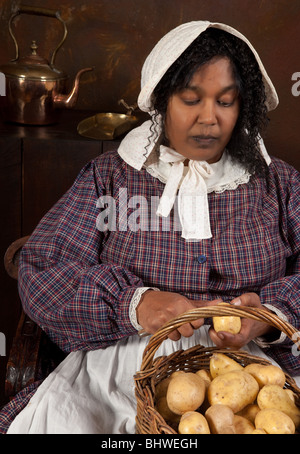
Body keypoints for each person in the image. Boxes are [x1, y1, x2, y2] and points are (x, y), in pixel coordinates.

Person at [0, 20, 299, 434]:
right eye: (190, 99)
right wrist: (134, 304)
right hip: (118, 364)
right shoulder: (110, 178)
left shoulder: (278, 184)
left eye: (226, 102)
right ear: (161, 100)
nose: (209, 118)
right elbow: (42, 270)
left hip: (247, 372)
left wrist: (269, 315)